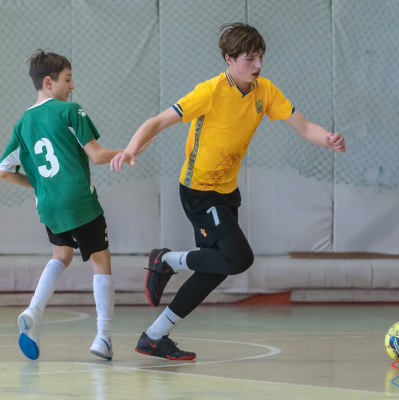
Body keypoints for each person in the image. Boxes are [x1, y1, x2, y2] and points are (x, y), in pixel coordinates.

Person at [111, 23, 345, 360]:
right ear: (229, 59)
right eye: (250, 59)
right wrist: (131, 149)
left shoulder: (265, 91)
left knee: (217, 268)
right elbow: (157, 121)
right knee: (240, 258)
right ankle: (166, 260)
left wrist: (327, 139)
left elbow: (306, 127)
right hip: (200, 191)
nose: (258, 65)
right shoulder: (209, 91)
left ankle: (154, 336)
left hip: (226, 192)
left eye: (261, 57)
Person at [0, 50, 154, 361]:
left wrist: (40, 185)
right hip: (78, 199)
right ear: (48, 82)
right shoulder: (71, 111)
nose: (72, 86)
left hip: (48, 204)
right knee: (101, 259)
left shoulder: (22, 123)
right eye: (67, 80)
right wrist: (128, 151)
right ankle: (103, 336)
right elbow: (96, 155)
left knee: (61, 255)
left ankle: (34, 310)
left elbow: (3, 171)